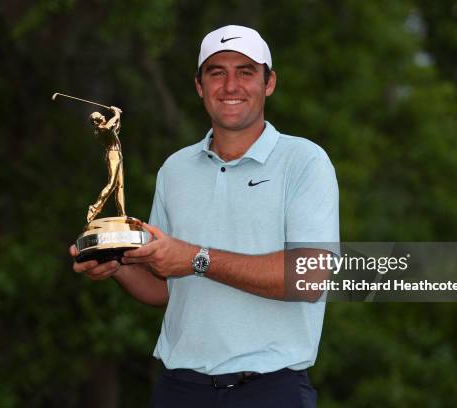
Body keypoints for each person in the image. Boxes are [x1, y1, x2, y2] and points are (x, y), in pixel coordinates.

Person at [70, 25, 339, 407]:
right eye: (217, 73)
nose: (231, 85)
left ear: (269, 83)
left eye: (245, 72)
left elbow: (309, 277)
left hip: (270, 390)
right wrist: (119, 267)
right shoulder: (175, 169)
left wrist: (197, 258)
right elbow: (166, 287)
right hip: (179, 389)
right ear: (200, 86)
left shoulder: (304, 161)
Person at [87, 106, 125, 222]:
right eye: (100, 116)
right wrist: (116, 114)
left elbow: (116, 128)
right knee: (112, 184)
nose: (103, 116)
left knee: (120, 186)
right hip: (112, 155)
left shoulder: (106, 128)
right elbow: (110, 127)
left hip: (118, 155)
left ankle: (122, 214)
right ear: (95, 122)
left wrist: (117, 116)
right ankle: (94, 208)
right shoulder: (101, 131)